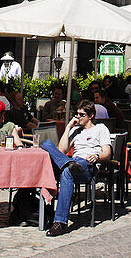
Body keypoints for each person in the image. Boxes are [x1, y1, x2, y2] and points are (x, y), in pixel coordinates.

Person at [42, 99, 112, 237]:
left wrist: (97, 156)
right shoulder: (75, 130)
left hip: (87, 164)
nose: (78, 117)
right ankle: (69, 165)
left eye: (81, 115)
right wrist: (68, 127)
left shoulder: (100, 129)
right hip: (72, 162)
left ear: (91, 116)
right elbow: (61, 150)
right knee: (46, 143)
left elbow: (107, 152)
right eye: (76, 114)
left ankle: (60, 223)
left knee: (67, 171)